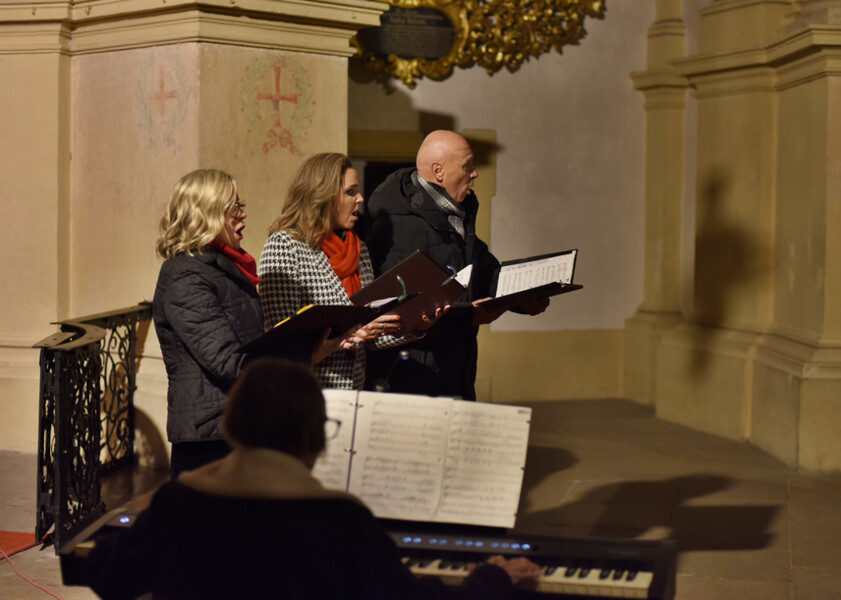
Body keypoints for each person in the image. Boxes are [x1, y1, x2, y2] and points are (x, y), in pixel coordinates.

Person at [82, 358, 542, 600]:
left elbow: (108, 575)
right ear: (311, 437)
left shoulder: (181, 502)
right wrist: (491, 579)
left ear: (234, 424)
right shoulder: (337, 520)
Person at [365, 130, 549, 400]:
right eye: (467, 166)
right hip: (414, 380)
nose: (475, 173)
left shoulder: (455, 215)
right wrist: (469, 315)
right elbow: (401, 311)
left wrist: (523, 298)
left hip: (455, 371)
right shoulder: (400, 227)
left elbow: (484, 273)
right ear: (438, 171)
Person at [258, 152, 444, 390]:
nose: (360, 199)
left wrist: (417, 324)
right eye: (350, 192)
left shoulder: (359, 248)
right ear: (323, 196)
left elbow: (371, 332)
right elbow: (281, 343)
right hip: (305, 393)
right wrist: (348, 335)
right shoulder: (285, 245)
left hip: (353, 392)